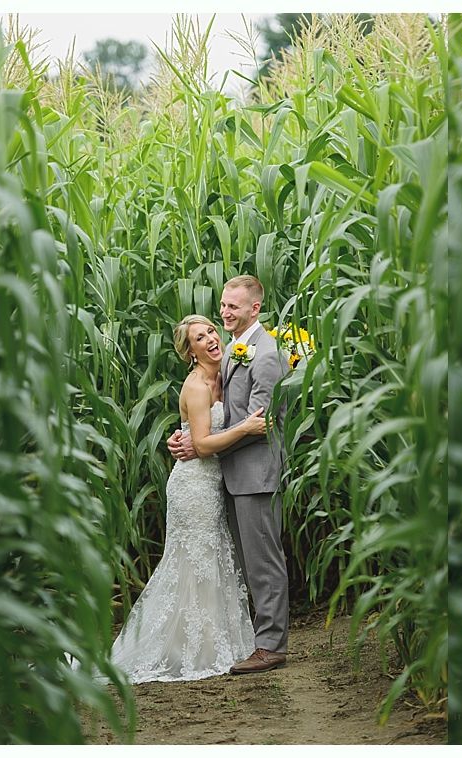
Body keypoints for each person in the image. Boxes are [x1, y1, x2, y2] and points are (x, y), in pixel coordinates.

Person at [110, 315, 266, 683]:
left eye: (212, 331)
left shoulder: (233, 363)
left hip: (216, 481)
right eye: (200, 338)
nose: (211, 339)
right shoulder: (196, 386)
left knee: (214, 559)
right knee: (196, 562)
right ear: (190, 353)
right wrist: (244, 427)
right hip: (194, 486)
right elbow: (202, 443)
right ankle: (195, 648)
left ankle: (211, 640)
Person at [168, 275, 290, 675]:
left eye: (232, 307)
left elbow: (260, 423)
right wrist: (190, 438)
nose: (224, 313)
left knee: (263, 562)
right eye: (222, 305)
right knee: (248, 562)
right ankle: (259, 638)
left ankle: (271, 646)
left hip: (255, 474)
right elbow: (221, 412)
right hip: (231, 476)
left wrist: (201, 444)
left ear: (255, 308)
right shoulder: (237, 351)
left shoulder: (265, 353)